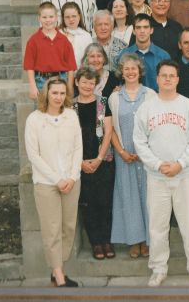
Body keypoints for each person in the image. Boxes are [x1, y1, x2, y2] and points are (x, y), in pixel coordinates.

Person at [133, 60, 189, 288]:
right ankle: (158, 269)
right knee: (158, 227)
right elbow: (139, 141)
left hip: (184, 175)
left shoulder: (188, 106)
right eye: (163, 75)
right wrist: (157, 165)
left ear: (177, 79)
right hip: (156, 178)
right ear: (157, 79)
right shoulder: (146, 107)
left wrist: (180, 163)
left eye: (171, 75)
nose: (167, 79)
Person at [24, 77, 82, 287]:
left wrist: (72, 176)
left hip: (71, 181)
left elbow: (78, 148)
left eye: (62, 93)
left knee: (67, 227)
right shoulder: (35, 119)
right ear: (46, 94)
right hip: (47, 183)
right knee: (52, 228)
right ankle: (58, 276)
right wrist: (57, 179)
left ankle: (58, 269)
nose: (58, 97)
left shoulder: (71, 116)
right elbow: (34, 155)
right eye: (54, 93)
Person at [109, 53, 155, 259]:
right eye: (126, 69)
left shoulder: (151, 95)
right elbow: (109, 129)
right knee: (128, 197)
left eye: (133, 69)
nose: (130, 72)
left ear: (140, 71)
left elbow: (156, 127)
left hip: (147, 155)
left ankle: (148, 240)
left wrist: (147, 151)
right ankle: (134, 240)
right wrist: (121, 152)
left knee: (148, 198)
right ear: (121, 72)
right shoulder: (114, 97)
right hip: (124, 155)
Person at [72, 67, 116, 260]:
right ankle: (95, 243)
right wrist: (80, 162)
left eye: (91, 82)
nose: (88, 86)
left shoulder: (103, 103)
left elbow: (108, 132)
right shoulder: (69, 107)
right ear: (76, 83)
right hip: (80, 163)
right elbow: (67, 137)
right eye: (84, 82)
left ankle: (107, 241)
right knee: (88, 204)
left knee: (105, 202)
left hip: (102, 161)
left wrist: (99, 158)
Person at [23, 1, 76, 100]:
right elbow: (29, 67)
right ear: (39, 18)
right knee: (42, 112)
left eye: (51, 17)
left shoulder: (64, 40)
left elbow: (71, 67)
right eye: (44, 17)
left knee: (60, 112)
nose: (48, 20)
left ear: (56, 17)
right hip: (41, 82)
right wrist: (33, 87)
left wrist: (69, 87)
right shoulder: (33, 40)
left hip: (61, 80)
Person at [120, 13, 171, 91]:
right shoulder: (124, 54)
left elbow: (168, 83)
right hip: (131, 100)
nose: (142, 31)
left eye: (146, 27)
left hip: (156, 100)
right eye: (138, 27)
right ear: (133, 31)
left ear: (151, 30)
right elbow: (120, 83)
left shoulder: (163, 56)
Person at [59, 1, 93, 69]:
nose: (71, 19)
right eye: (67, 17)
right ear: (63, 18)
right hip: (62, 74)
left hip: (81, 74)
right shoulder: (58, 34)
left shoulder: (86, 36)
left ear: (79, 16)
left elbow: (89, 58)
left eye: (74, 16)